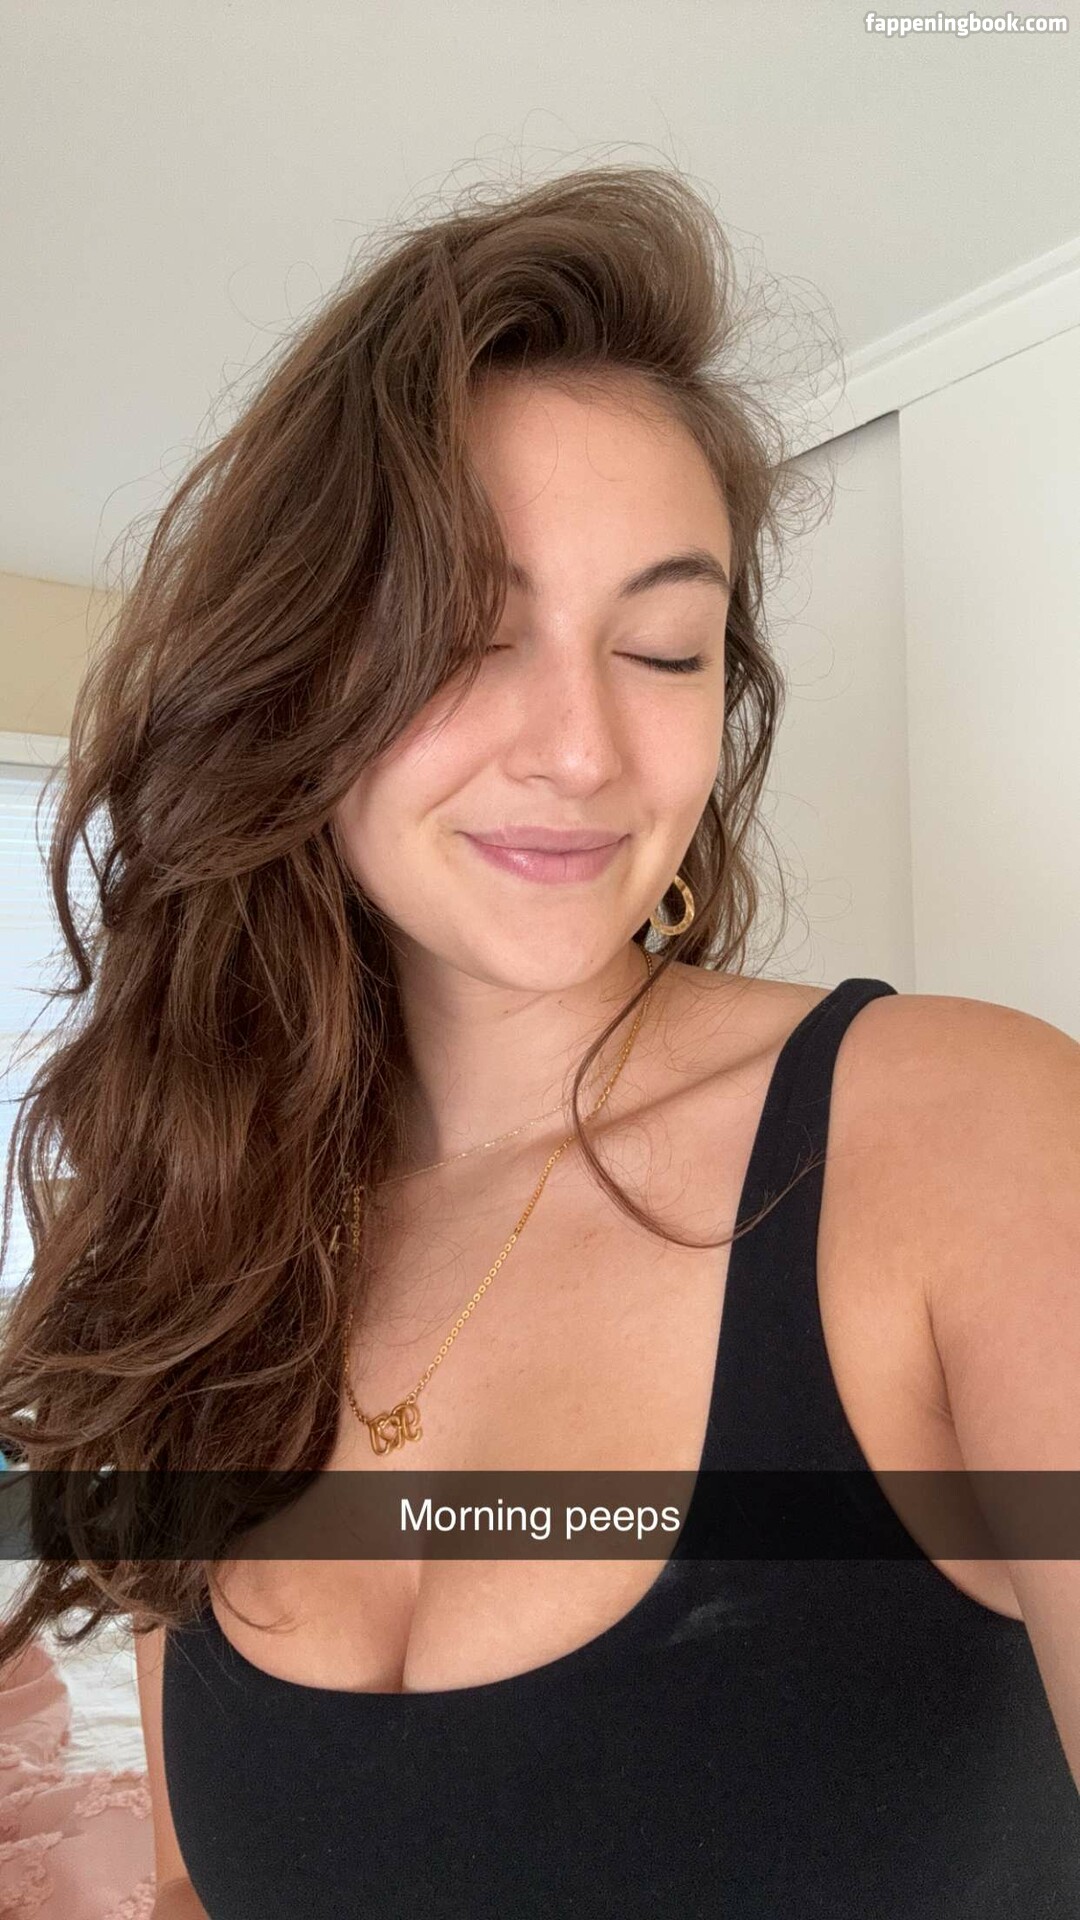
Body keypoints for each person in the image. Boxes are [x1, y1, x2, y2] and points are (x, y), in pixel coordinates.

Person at [0, 166, 1077, 1919]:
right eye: (466, 634)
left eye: (661, 647)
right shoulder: (210, 1245)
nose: (582, 748)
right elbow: (206, 1883)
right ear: (295, 675)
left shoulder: (969, 1139)